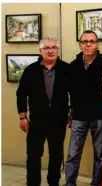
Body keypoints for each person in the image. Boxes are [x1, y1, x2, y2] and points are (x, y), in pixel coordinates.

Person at [16, 37, 70, 186]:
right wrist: (22, 117)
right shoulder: (31, 70)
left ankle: (54, 182)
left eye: (54, 47)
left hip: (58, 121)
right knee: (33, 156)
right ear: (40, 51)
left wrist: (72, 112)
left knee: (56, 155)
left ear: (57, 50)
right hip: (36, 122)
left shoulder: (66, 69)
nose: (51, 51)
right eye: (47, 48)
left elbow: (75, 92)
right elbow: (21, 93)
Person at [65, 30, 102, 186]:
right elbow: (69, 92)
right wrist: (70, 112)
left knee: (99, 155)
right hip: (78, 117)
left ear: (97, 44)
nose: (88, 44)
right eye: (85, 42)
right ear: (80, 45)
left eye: (92, 41)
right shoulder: (73, 66)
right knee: (72, 155)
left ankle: (96, 184)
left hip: (100, 117)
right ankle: (70, 183)